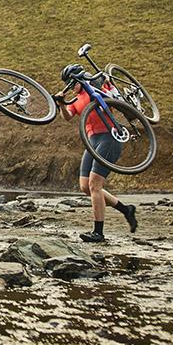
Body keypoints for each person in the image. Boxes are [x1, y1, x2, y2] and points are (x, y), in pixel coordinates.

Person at [56, 64, 138, 243]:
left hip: (109, 137)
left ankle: (98, 232)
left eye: (72, 82)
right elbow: (67, 116)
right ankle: (126, 210)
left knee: (95, 185)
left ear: (79, 78)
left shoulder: (95, 87)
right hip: (92, 141)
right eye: (68, 83)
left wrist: (107, 82)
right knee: (85, 186)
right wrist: (61, 104)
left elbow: (112, 95)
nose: (70, 86)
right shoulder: (76, 99)